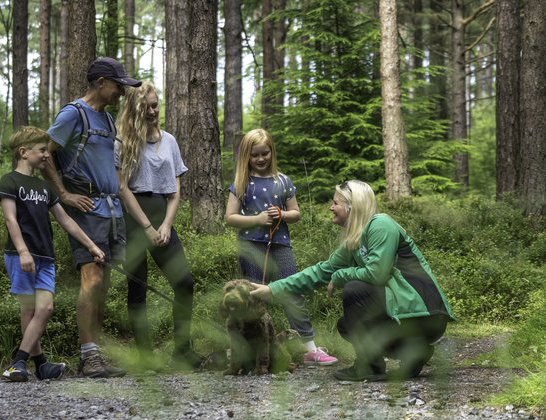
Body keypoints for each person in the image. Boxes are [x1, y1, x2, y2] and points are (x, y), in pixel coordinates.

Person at [251, 180, 455, 381]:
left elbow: (377, 274)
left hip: (426, 314)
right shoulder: (355, 241)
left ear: (352, 207)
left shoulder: (381, 224)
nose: (331, 208)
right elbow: (320, 271)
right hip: (404, 313)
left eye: (335, 203)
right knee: (348, 325)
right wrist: (271, 289)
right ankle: (414, 352)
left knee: (355, 289)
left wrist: (340, 275)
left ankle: (369, 366)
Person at [42, 56, 141, 378]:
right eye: (117, 86)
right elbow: (45, 155)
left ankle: (94, 355)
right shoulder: (73, 115)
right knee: (92, 278)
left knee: (103, 283)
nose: (121, 93)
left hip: (112, 212)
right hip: (87, 211)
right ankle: (88, 356)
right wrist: (65, 195)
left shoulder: (108, 121)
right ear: (101, 83)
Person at [0, 126, 106, 382]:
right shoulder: (9, 182)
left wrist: (92, 246)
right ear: (24, 152)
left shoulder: (44, 187)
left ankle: (31, 363)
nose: (47, 155)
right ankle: (27, 364)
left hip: (46, 257)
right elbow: (11, 220)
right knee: (29, 310)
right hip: (20, 255)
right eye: (42, 150)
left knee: (44, 309)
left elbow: (66, 220)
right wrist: (23, 252)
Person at [224, 128, 339, 367]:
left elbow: (295, 213)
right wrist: (257, 219)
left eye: (265, 153)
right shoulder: (241, 183)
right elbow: (230, 217)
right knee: (252, 298)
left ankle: (309, 348)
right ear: (246, 156)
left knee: (292, 293)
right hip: (250, 246)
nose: (261, 159)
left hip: (280, 245)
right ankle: (245, 349)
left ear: (272, 152)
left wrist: (282, 214)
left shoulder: (283, 181)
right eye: (255, 155)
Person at [114, 82, 203, 370]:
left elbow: (175, 191)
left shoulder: (170, 141)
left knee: (184, 282)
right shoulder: (123, 141)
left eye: (155, 105)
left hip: (162, 218)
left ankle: (182, 351)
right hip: (134, 219)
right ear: (135, 109)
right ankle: (145, 357)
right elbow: (122, 188)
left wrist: (165, 225)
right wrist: (147, 227)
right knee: (138, 288)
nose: (153, 111)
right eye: (147, 106)